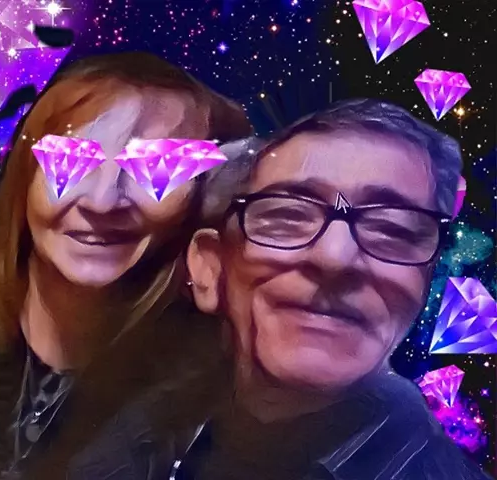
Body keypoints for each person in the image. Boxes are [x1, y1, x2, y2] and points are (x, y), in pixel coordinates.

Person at [0, 51, 253, 480]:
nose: (102, 202)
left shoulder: (199, 397)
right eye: (69, 160)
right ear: (25, 177)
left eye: (156, 168)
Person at [180, 98, 494, 479]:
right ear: (210, 268)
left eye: (392, 229)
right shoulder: (144, 439)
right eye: (287, 215)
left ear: (426, 285)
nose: (334, 257)